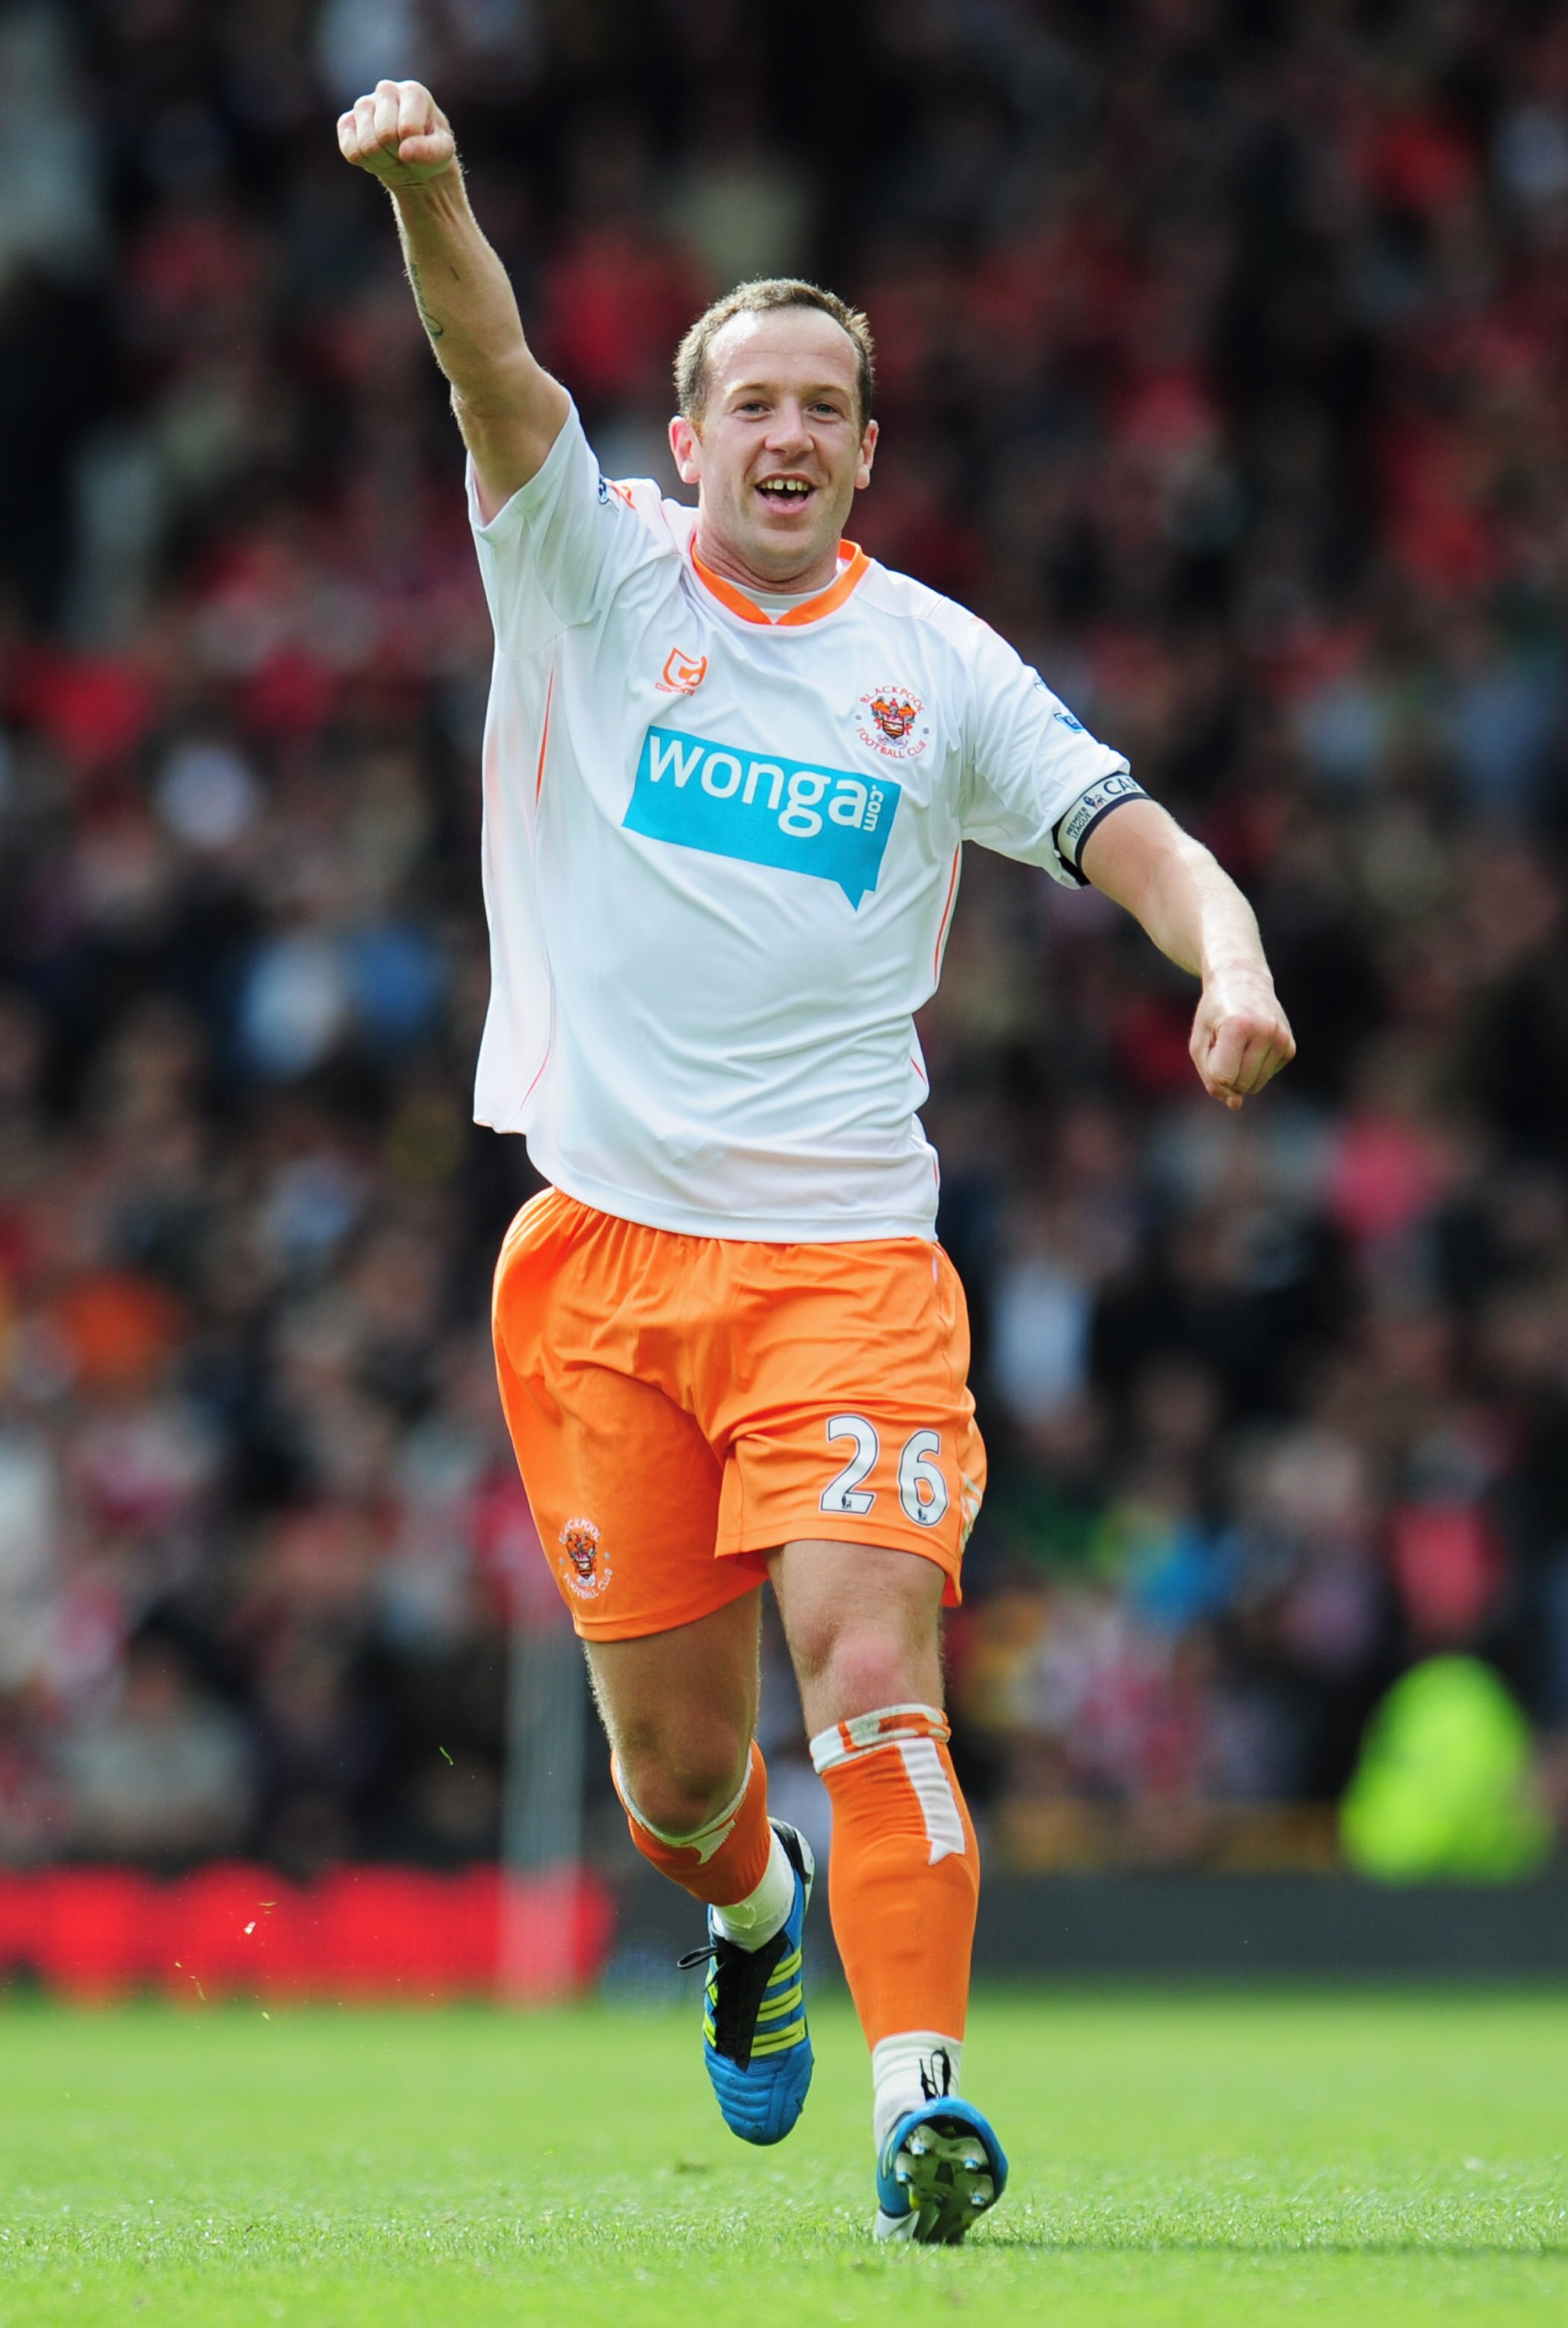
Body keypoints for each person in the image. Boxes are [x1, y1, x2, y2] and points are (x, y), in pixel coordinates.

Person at [338, 79, 1296, 2244]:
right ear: (681, 442)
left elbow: (1125, 830)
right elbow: (490, 359)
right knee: (677, 1783)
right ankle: (748, 1910)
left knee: (874, 1674)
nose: (788, 431)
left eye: (827, 405)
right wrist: (432, 190)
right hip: (592, 1267)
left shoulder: (933, 667)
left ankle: (921, 2103)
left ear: (866, 449)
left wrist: (1223, 951)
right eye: (750, 399)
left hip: (848, 1268)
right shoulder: (580, 568)